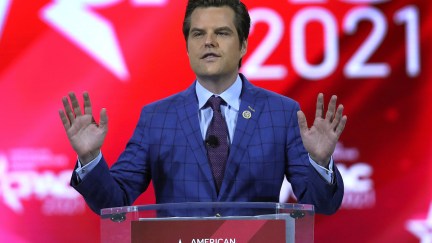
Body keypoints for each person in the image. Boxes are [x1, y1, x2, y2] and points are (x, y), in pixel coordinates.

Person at [60, 0, 347, 215]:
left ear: (244, 45)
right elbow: (114, 202)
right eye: (198, 34)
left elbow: (321, 205)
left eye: (221, 33)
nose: (208, 41)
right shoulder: (157, 118)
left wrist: (320, 163)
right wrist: (90, 158)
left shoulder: (281, 113)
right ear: (187, 47)